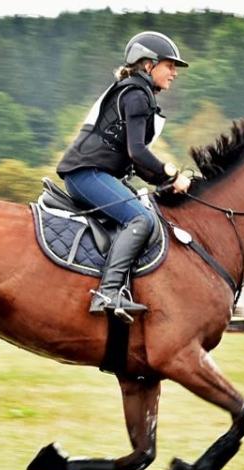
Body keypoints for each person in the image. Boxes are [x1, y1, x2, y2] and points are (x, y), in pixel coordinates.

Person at [57, 31, 192, 323]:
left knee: (145, 211)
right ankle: (108, 292)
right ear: (148, 65)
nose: (174, 73)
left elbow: (139, 163)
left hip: (95, 173)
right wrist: (172, 172)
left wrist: (165, 183)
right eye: (169, 66)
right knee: (140, 219)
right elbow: (138, 152)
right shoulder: (136, 95)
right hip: (87, 174)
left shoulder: (136, 93)